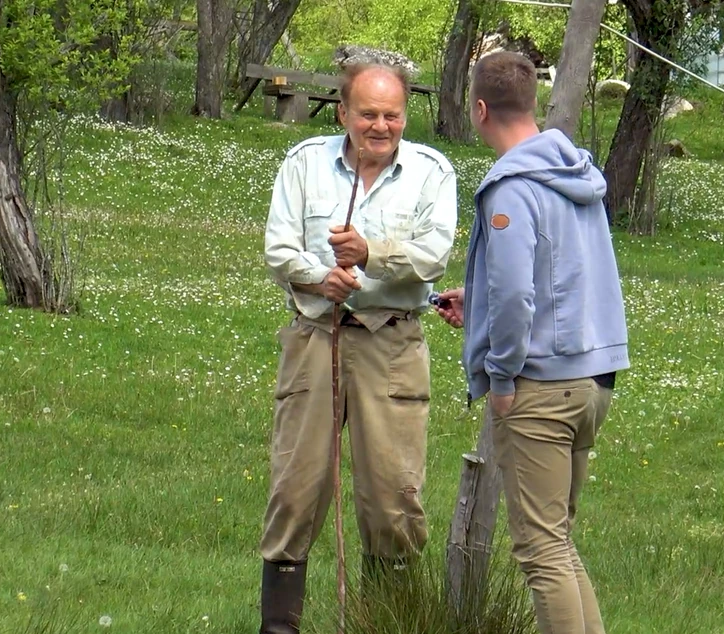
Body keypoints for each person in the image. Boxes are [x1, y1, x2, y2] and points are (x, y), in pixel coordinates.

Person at [435, 51, 630, 634]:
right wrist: (479, 305)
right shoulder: (575, 173)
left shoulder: (511, 187)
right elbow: (563, 275)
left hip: (541, 388)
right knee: (559, 544)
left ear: (479, 108)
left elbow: (520, 294)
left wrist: (500, 380)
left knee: (540, 553)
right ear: (534, 104)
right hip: (594, 380)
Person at [259, 62, 457, 633]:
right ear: (342, 113)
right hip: (316, 339)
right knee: (294, 494)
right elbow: (279, 249)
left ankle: (383, 625)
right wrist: (321, 279)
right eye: (367, 113)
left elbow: (433, 255)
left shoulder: (431, 173)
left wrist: (370, 253)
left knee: (393, 504)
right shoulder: (304, 164)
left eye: (391, 115)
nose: (380, 126)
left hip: (391, 345)